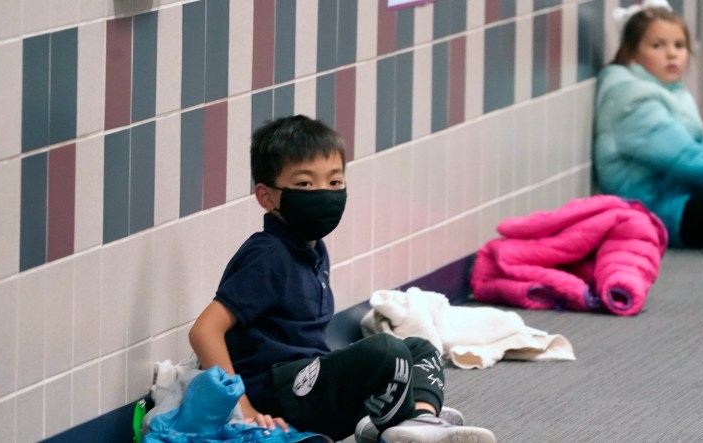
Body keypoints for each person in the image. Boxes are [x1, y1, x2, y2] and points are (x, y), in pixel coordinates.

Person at [188, 115, 496, 443]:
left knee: (419, 347)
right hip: (275, 392)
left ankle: (418, 422)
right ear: (266, 196)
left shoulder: (313, 249)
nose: (323, 194)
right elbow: (204, 331)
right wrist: (243, 408)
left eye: (334, 183)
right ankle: (395, 423)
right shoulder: (268, 256)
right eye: (305, 184)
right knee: (387, 351)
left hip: (309, 380)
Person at [593, 2, 703, 250]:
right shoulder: (630, 100)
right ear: (630, 53)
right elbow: (687, 160)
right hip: (653, 210)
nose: (672, 54)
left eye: (679, 46)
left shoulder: (672, 91)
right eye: (657, 45)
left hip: (679, 196)